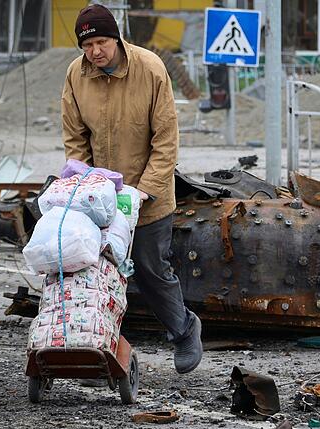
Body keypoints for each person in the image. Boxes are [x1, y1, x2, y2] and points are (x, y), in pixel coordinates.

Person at [61, 4, 202, 374]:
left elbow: (166, 140)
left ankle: (185, 330)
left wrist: (145, 189)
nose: (95, 52)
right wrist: (85, 184)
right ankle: (102, 351)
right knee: (98, 273)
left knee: (151, 269)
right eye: (88, 45)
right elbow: (75, 137)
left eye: (102, 42)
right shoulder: (76, 75)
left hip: (147, 196)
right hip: (99, 198)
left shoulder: (150, 68)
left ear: (117, 38)